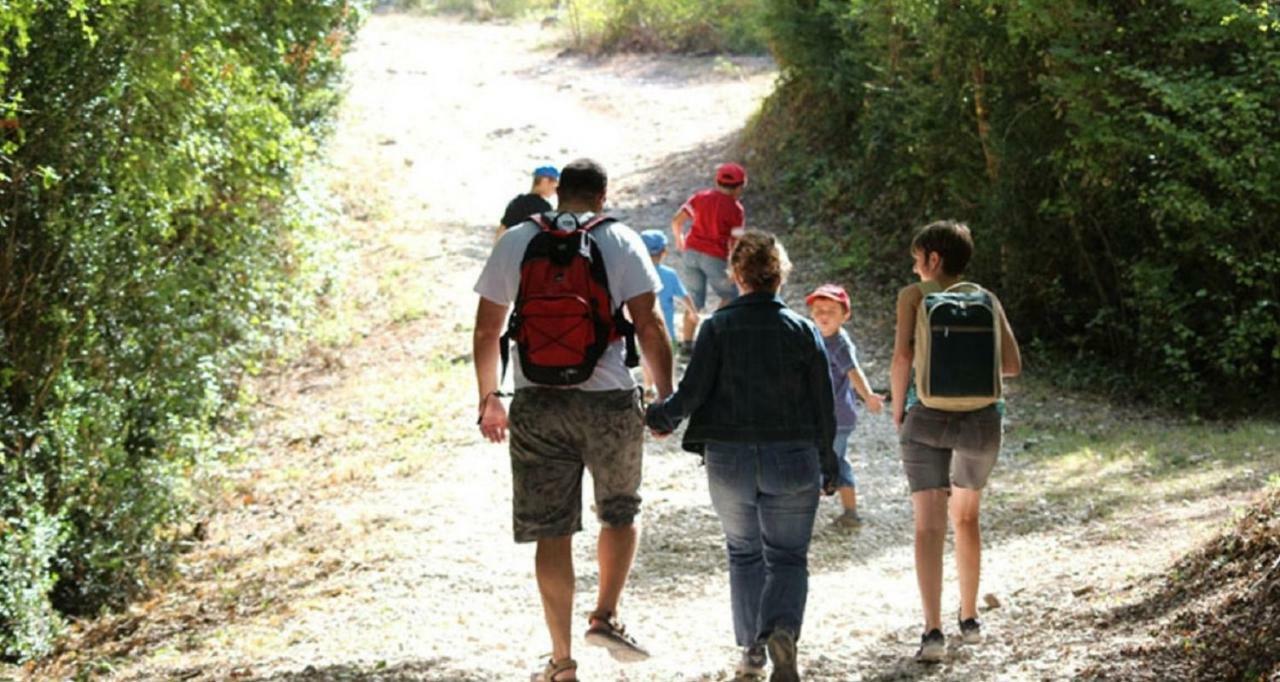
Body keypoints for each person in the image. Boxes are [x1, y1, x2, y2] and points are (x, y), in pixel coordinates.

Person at [473, 159, 675, 682]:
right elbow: (650, 324)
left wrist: (489, 396)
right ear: (603, 195)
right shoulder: (621, 239)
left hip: (537, 402)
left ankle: (561, 660)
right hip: (608, 399)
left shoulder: (517, 239)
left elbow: (486, 329)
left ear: (559, 192)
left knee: (551, 532)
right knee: (620, 510)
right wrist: (667, 397)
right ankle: (605, 616)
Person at [647, 230, 836, 682]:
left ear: (734, 275)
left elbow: (693, 392)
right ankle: (784, 630)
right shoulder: (803, 330)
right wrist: (829, 463)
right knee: (788, 557)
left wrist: (661, 417)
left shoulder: (717, 326)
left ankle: (753, 651)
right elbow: (823, 404)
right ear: (780, 275)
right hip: (792, 456)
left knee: (745, 553)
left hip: (729, 459)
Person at [889, 221, 1022, 663]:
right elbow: (1011, 365)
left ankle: (932, 633)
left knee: (929, 526)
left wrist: (898, 409)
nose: (915, 266)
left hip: (925, 418)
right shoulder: (987, 298)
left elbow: (903, 357)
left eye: (917, 258)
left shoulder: (914, 296)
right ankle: (969, 617)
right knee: (966, 519)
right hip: (982, 422)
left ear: (933, 259)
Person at [805, 283, 885, 528]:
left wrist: (868, 395)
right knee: (838, 461)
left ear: (845, 316)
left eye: (831, 310)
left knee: (822, 462)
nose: (824, 315)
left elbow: (854, 372)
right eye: (819, 310)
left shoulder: (839, 343)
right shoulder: (813, 336)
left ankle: (804, 510)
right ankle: (850, 512)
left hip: (837, 417)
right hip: (820, 415)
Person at [670, 162, 747, 355]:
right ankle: (714, 335)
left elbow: (676, 220)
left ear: (717, 181)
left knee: (694, 299)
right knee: (729, 295)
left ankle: (687, 344)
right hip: (714, 256)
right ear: (739, 187)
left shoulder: (700, 198)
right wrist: (734, 266)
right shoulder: (736, 209)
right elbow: (736, 240)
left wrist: (679, 240)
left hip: (691, 252)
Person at [640, 229, 698, 394]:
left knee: (646, 359)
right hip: (666, 331)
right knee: (667, 360)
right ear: (664, 251)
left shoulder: (638, 273)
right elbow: (684, 296)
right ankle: (667, 387)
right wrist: (692, 312)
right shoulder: (669, 275)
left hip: (642, 330)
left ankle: (648, 386)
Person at [496, 165, 559, 241]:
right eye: (555, 182)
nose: (555, 188)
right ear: (544, 181)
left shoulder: (517, 202)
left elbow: (501, 232)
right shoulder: (545, 208)